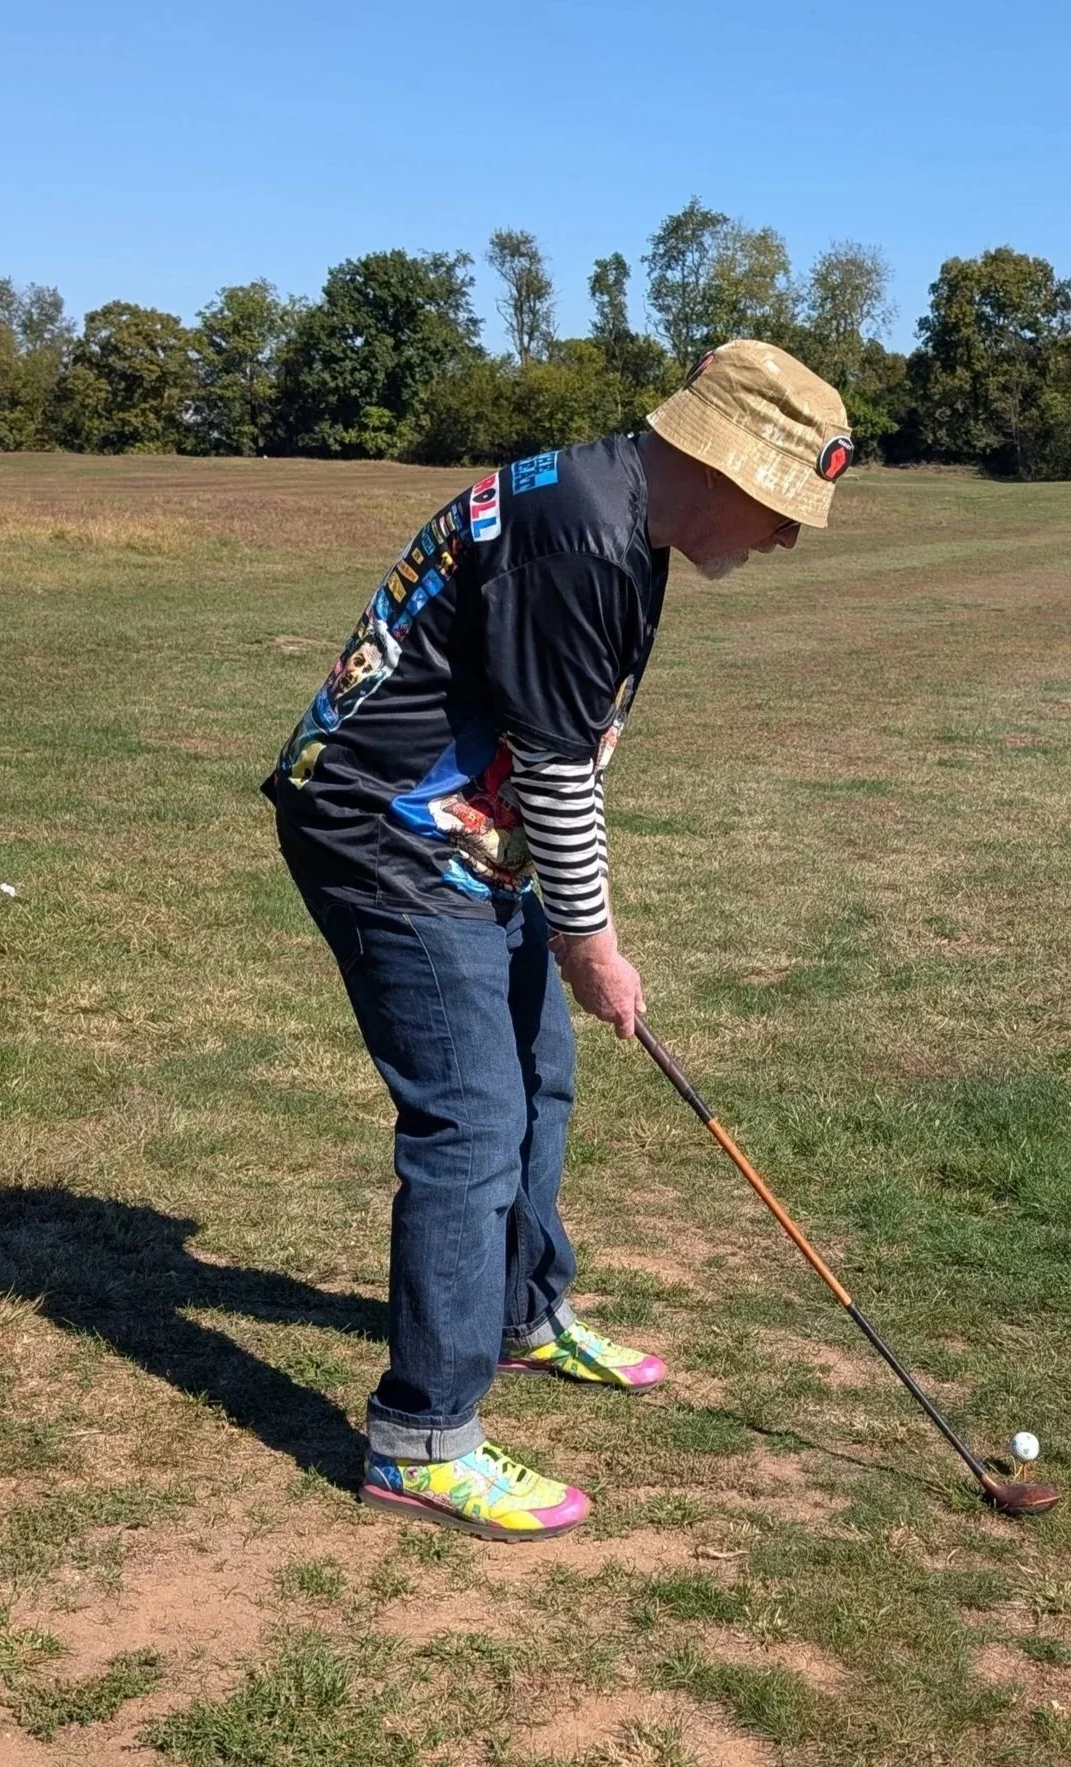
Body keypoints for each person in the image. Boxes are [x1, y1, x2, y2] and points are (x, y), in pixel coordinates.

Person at [264, 340, 853, 1541]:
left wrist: (575, 929)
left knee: (541, 1075)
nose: (788, 538)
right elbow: (550, 772)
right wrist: (595, 944)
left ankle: (523, 1314)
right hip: (385, 834)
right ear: (714, 459)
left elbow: (568, 746)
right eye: (782, 507)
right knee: (472, 1123)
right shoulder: (584, 535)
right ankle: (422, 1438)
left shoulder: (621, 514)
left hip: (463, 833)